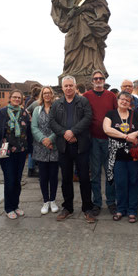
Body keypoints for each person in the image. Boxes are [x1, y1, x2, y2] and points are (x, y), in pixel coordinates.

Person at [49, 0, 111, 80]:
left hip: (89, 27)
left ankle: (90, 71)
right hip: (74, 28)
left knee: (89, 48)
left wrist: (84, 8)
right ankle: (70, 72)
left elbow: (103, 8)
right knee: (69, 49)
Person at [49, 75, 95, 223]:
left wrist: (73, 131)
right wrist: (65, 133)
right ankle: (67, 207)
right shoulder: (57, 104)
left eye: (71, 85)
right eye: (66, 86)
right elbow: (52, 121)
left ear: (75, 87)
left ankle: (87, 208)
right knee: (66, 178)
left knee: (84, 178)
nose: (68, 88)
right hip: (64, 146)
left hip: (81, 145)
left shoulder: (83, 101)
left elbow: (88, 118)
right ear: (62, 88)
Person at [103, 91, 138, 223]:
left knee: (134, 182)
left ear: (130, 103)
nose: (124, 102)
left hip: (134, 156)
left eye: (127, 100)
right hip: (117, 156)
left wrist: (136, 133)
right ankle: (121, 209)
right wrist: (126, 136)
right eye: (122, 99)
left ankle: (132, 210)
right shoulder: (110, 114)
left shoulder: (136, 115)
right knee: (120, 183)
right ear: (118, 100)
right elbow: (107, 129)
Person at [0, 89, 32, 219]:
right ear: (10, 98)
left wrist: (29, 149)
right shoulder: (3, 113)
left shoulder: (24, 113)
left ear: (22, 99)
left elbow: (28, 132)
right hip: (6, 152)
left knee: (18, 180)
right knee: (9, 180)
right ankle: (8, 208)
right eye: (14, 97)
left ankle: (16, 205)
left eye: (19, 98)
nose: (17, 99)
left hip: (21, 151)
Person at [83, 69, 117, 216]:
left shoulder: (111, 96)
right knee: (95, 173)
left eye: (100, 78)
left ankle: (111, 202)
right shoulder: (86, 96)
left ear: (104, 80)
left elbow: (116, 114)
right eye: (95, 78)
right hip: (94, 140)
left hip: (109, 139)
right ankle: (97, 202)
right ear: (92, 81)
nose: (98, 80)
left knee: (110, 172)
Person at [31, 86, 59, 215]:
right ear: (42, 95)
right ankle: (45, 201)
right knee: (43, 177)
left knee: (53, 176)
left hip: (54, 147)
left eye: (49, 93)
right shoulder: (37, 110)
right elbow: (34, 127)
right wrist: (44, 140)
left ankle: (53, 200)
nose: (47, 95)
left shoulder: (58, 109)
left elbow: (60, 126)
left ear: (52, 95)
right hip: (41, 146)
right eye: (45, 93)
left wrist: (51, 139)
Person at [26, 86, 41, 178]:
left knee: (34, 148)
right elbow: (26, 111)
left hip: (33, 127)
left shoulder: (32, 102)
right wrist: (31, 119)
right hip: (35, 128)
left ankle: (32, 168)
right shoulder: (35, 103)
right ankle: (31, 169)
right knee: (33, 149)